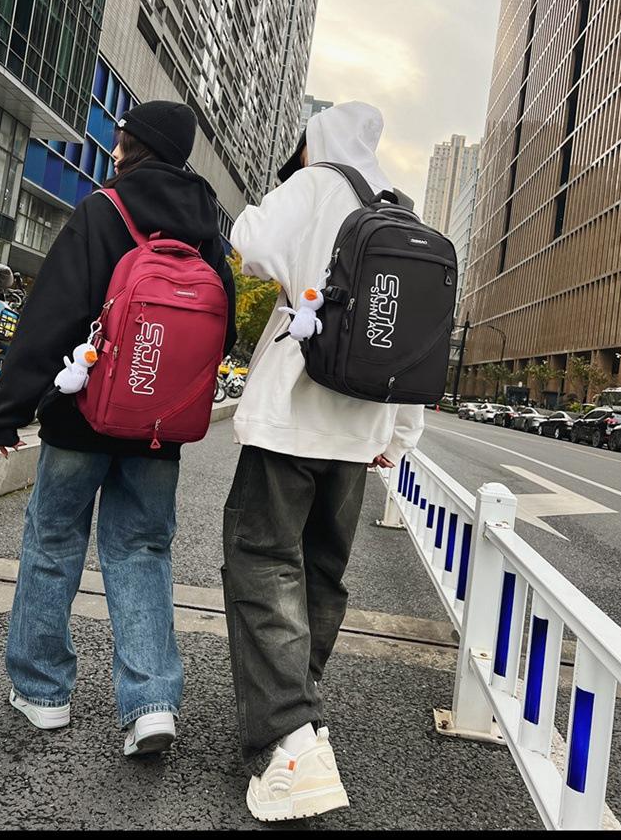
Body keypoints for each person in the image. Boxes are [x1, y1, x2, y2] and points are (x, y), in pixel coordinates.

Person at [0, 101, 236, 756]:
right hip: (157, 429)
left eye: (122, 137)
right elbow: (225, 330)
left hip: (79, 418)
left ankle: (43, 692)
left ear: (135, 145)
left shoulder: (104, 209)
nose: (115, 147)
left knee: (53, 542)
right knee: (143, 552)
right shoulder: (207, 227)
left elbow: (52, 314)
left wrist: (10, 407)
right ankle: (151, 703)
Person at [222, 101, 425, 821]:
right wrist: (398, 436)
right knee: (321, 571)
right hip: (360, 431)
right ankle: (300, 712)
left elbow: (248, 242)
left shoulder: (315, 185)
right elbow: (415, 341)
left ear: (315, 143)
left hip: (292, 420)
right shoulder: (404, 213)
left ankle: (290, 741)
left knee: (261, 562)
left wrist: (295, 206)